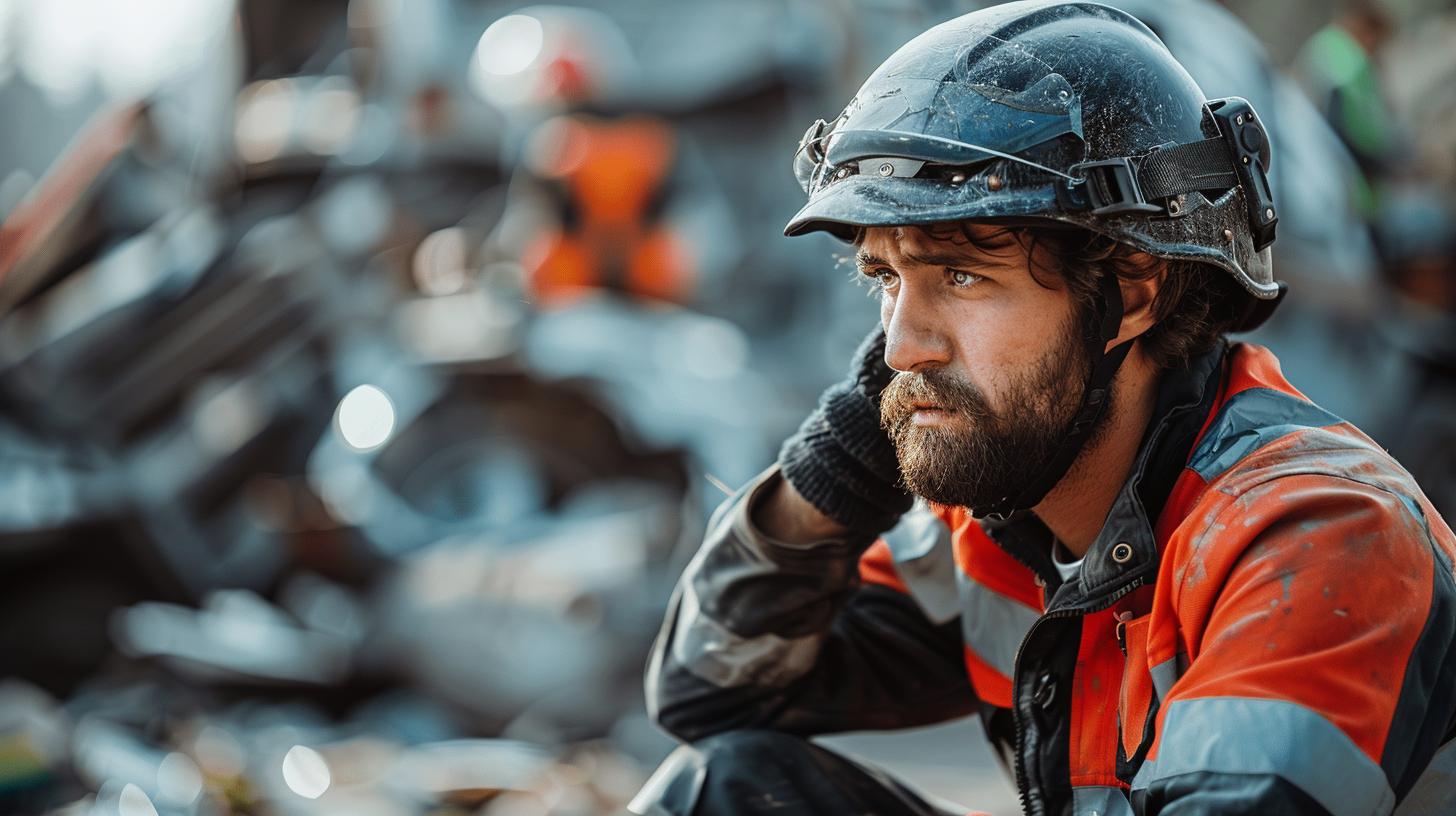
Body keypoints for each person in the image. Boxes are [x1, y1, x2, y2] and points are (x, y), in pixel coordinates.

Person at [631, 2, 1456, 814]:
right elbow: (709, 696)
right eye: (888, 279)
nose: (897, 348)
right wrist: (837, 468)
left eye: (961, 276)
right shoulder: (1004, 528)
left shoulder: (1318, 537)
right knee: (727, 789)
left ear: (1133, 291)